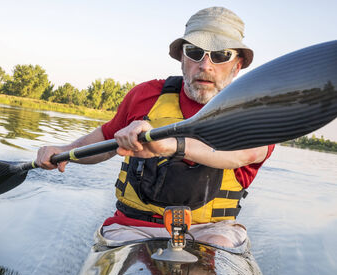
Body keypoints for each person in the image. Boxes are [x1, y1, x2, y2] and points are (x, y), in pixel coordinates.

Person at [36, 7, 274, 248]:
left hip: (213, 231)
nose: (205, 65)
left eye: (220, 55)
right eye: (195, 52)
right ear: (182, 57)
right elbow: (105, 140)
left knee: (219, 243)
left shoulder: (253, 114)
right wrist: (64, 150)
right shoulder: (145, 95)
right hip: (133, 226)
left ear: (237, 65)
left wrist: (172, 146)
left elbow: (248, 153)